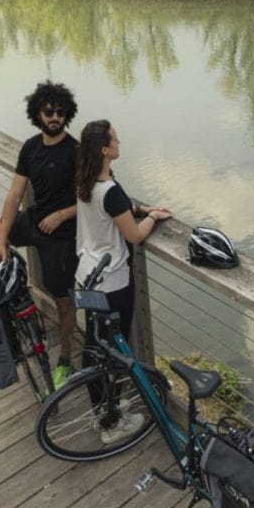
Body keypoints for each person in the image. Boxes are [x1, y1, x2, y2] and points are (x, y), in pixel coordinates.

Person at [74, 119, 171, 443]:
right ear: (104, 149)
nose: (120, 142)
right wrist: (153, 218)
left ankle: (104, 407)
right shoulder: (109, 190)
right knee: (113, 349)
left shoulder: (86, 182)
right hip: (113, 283)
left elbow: (121, 208)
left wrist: (141, 207)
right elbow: (134, 234)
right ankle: (110, 423)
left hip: (87, 277)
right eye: (115, 139)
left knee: (94, 345)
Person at [0, 81, 80, 385]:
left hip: (61, 236)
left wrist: (62, 214)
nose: (55, 117)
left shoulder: (75, 151)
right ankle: (15, 279)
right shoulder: (31, 147)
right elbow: (13, 195)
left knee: (63, 301)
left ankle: (65, 360)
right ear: (38, 113)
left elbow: (91, 199)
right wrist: (1, 240)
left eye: (61, 112)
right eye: (49, 111)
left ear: (67, 115)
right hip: (34, 222)